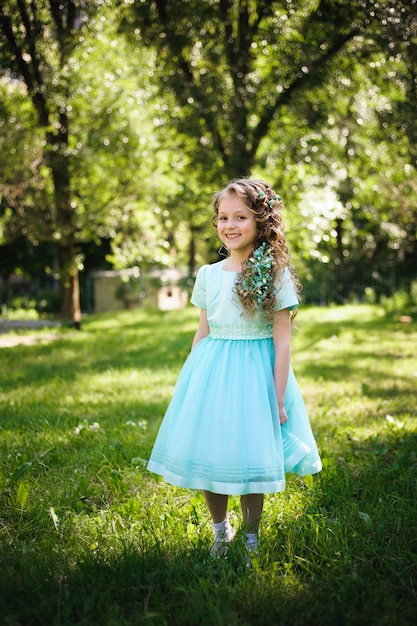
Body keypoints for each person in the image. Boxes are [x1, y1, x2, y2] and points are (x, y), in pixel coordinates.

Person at [147, 178, 322, 563]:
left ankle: (251, 534)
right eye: (223, 217)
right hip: (213, 371)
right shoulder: (208, 275)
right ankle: (219, 529)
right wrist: (190, 382)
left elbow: (283, 341)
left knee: (249, 456)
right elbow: (203, 330)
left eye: (241, 216)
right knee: (212, 452)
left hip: (255, 375)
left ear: (261, 222)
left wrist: (277, 398)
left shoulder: (274, 274)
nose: (230, 224)